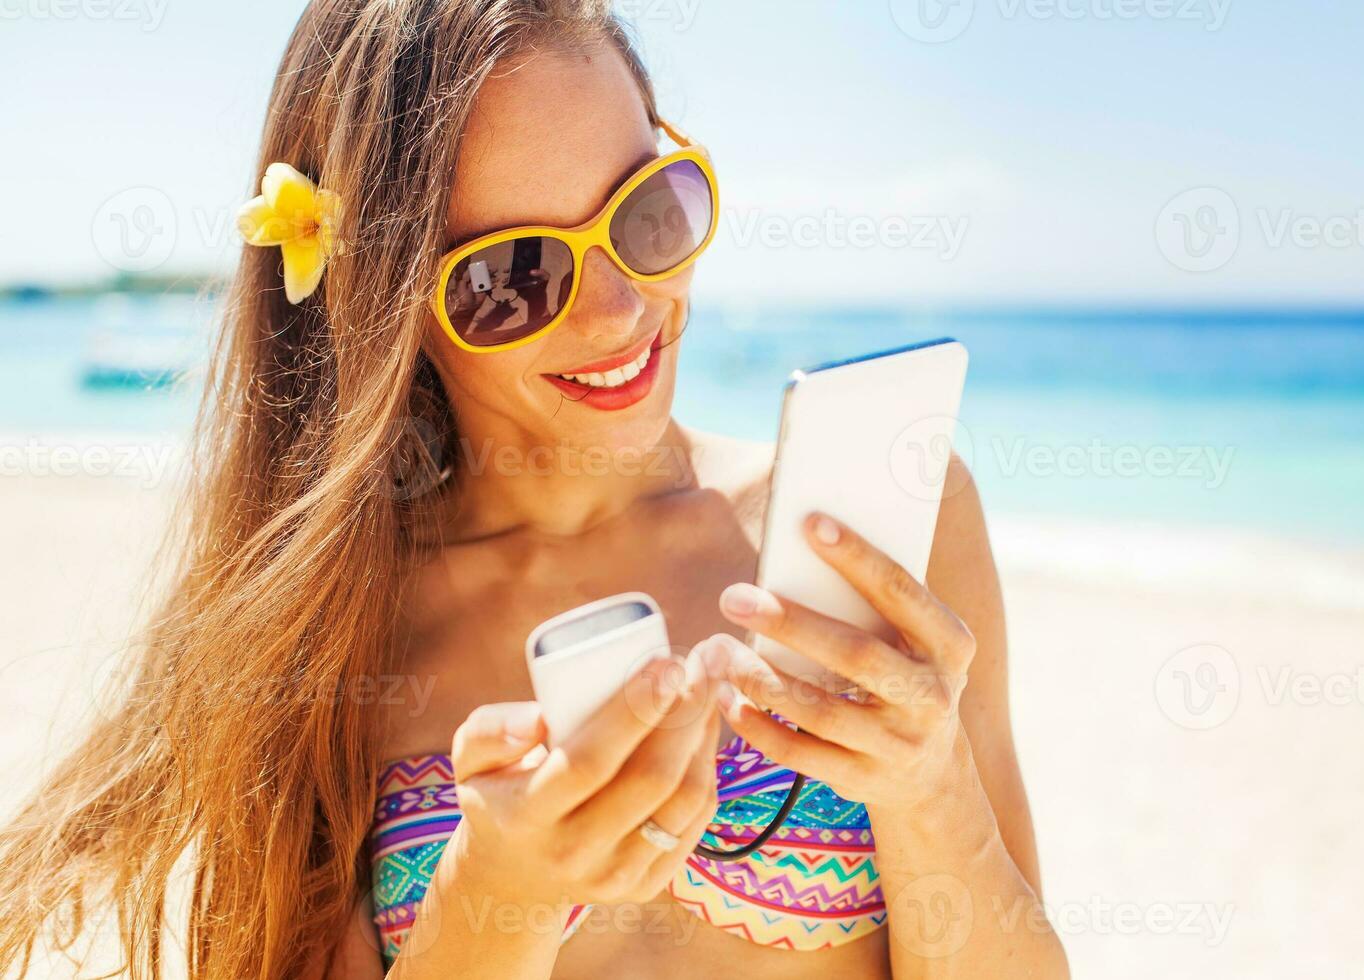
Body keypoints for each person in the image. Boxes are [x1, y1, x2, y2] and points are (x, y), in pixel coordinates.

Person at [0, 2, 1067, 978]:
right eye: (512, 276)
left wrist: (934, 796)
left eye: (649, 212)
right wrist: (497, 895)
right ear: (387, 306)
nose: (616, 312)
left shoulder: (877, 533)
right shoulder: (325, 630)